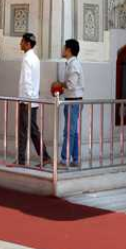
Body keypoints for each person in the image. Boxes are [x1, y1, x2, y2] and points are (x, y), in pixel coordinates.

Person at [17, 33, 49, 165]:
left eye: (22, 42)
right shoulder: (35, 58)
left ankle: (22, 160)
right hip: (32, 99)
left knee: (24, 131)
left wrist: (28, 100)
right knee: (32, 130)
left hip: (27, 100)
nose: (20, 44)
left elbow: (27, 81)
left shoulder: (27, 59)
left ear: (28, 44)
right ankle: (44, 156)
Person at [56, 39, 84, 167]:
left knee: (69, 131)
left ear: (68, 50)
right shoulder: (71, 64)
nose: (62, 50)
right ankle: (75, 159)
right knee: (73, 131)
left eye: (64, 48)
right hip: (72, 100)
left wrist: (58, 84)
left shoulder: (74, 65)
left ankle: (65, 159)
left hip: (73, 102)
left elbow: (71, 85)